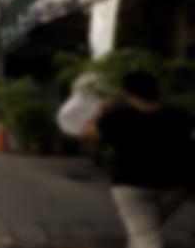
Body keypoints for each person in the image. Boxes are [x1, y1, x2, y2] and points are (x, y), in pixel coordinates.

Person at [81, 70, 194, 248]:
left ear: (125, 91)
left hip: (132, 185)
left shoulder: (117, 116)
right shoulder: (180, 115)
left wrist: (101, 112)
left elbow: (86, 133)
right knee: (145, 229)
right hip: (175, 186)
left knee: (145, 236)